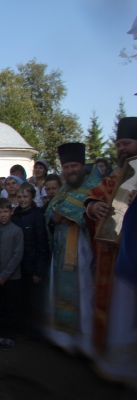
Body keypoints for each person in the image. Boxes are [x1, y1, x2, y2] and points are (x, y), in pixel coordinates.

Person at [84, 117, 137, 383]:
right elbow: (92, 198)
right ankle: (119, 368)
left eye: (126, 143)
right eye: (118, 145)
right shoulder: (117, 177)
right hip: (117, 258)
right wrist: (94, 208)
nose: (121, 149)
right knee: (122, 314)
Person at [43, 142, 102, 357]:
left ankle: (85, 341)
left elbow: (94, 213)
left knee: (84, 292)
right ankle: (64, 338)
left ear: (82, 165)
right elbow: (50, 212)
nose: (70, 170)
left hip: (83, 251)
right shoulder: (65, 188)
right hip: (61, 250)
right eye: (66, 167)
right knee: (60, 291)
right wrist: (55, 217)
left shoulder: (96, 185)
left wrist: (68, 215)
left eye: (74, 166)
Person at [0, 198, 24, 350]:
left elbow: (17, 255)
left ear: (11, 212)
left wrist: (5, 275)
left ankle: (10, 336)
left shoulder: (17, 231)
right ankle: (0, 335)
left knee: (11, 307)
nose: (3, 215)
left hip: (12, 278)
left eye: (6, 212)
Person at [12, 182, 49, 337]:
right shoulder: (14, 217)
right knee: (19, 299)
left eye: (25, 196)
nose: (22, 199)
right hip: (17, 266)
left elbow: (42, 244)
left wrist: (39, 271)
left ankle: (34, 332)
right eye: (19, 196)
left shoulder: (37, 217)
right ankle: (20, 328)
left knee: (33, 301)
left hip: (31, 265)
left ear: (32, 197)